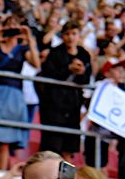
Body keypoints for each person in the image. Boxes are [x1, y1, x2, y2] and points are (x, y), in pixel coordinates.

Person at [0, 19, 40, 170]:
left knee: (5, 140)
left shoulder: (22, 49)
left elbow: (36, 65)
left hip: (13, 95)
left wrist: (30, 40)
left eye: (15, 26)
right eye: (8, 26)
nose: (12, 29)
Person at [37, 21, 92, 160]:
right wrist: (67, 69)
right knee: (52, 147)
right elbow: (48, 75)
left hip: (73, 107)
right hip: (54, 106)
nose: (71, 37)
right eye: (67, 34)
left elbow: (85, 80)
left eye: (74, 34)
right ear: (62, 36)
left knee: (69, 148)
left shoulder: (84, 55)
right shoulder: (55, 53)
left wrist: (81, 72)